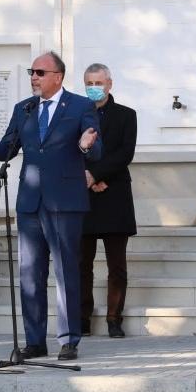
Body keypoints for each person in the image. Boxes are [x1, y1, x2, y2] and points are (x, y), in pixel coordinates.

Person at [0, 51, 101, 361]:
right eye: (32, 71)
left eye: (40, 72)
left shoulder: (81, 106)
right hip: (30, 203)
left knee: (65, 271)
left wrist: (87, 145)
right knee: (30, 273)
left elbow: (96, 149)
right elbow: (9, 147)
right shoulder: (25, 108)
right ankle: (34, 340)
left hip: (65, 202)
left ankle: (68, 340)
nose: (34, 77)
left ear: (58, 76)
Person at [79, 63, 138, 338]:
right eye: (89, 83)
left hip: (114, 195)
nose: (94, 88)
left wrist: (98, 175)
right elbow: (69, 149)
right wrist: (88, 177)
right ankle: (82, 319)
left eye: (98, 83)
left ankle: (114, 319)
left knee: (117, 265)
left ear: (109, 84)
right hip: (83, 195)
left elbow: (125, 153)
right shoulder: (75, 113)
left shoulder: (127, 115)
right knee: (82, 264)